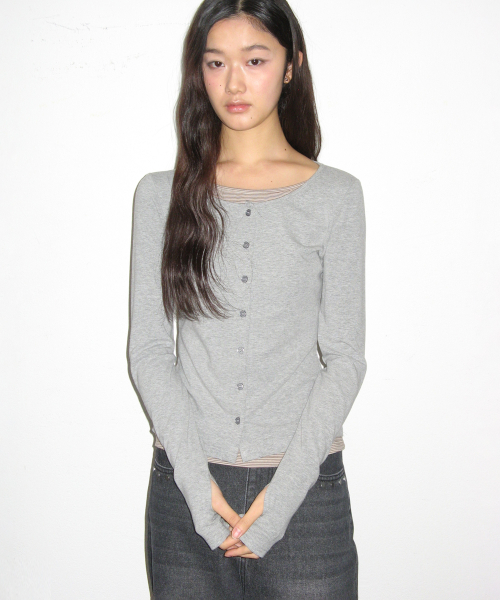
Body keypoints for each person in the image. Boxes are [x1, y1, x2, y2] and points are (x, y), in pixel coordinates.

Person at [127, 0, 367, 598]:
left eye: (254, 60)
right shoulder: (160, 196)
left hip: (306, 495)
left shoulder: (336, 196)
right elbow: (150, 349)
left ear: (291, 66)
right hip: (184, 489)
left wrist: (280, 500)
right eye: (216, 63)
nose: (234, 82)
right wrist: (194, 483)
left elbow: (345, 358)